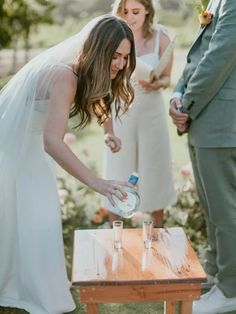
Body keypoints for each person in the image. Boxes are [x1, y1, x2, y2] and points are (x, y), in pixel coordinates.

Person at [0, 15, 136, 314]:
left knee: (39, 216)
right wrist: (98, 183)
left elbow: (98, 98)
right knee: (20, 215)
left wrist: (109, 132)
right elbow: (53, 141)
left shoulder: (85, 72)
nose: (120, 64)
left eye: (125, 57)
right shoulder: (65, 76)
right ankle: (22, 288)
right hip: (10, 148)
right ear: (98, 50)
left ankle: (31, 287)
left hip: (29, 147)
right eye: (114, 56)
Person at [169, 0, 236, 313]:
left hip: (222, 120)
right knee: (210, 207)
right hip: (202, 120)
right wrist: (177, 93)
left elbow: (218, 58)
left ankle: (231, 289)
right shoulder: (215, 0)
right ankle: (214, 271)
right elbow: (197, 54)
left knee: (225, 210)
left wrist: (188, 104)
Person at [103, 0, 176, 227]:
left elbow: (167, 77)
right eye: (125, 12)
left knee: (154, 168)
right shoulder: (114, 37)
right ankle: (115, 231)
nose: (130, 17)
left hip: (151, 111)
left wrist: (157, 83)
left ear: (147, 10)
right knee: (118, 167)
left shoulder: (161, 38)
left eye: (135, 12)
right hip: (121, 109)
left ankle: (157, 231)